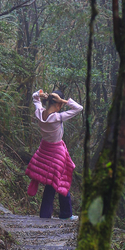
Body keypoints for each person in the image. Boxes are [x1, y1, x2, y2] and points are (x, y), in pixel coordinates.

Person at [26, 89, 83, 219]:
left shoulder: (39, 113)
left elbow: (35, 97)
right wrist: (64, 101)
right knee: (60, 182)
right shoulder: (58, 117)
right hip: (57, 154)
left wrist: (41, 95)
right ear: (58, 104)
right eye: (61, 104)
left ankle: (46, 215)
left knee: (51, 183)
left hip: (44, 150)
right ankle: (64, 214)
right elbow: (79, 108)